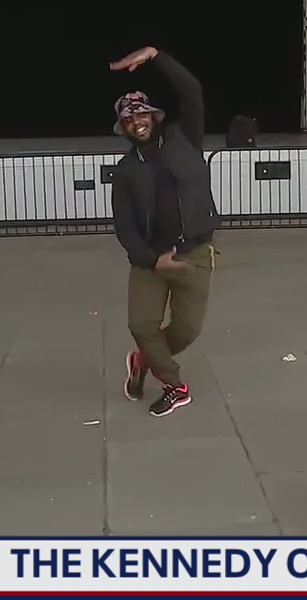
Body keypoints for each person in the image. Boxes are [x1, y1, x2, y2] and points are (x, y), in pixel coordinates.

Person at [108, 46, 219, 418]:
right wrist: (150, 260)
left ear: (153, 116)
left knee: (186, 331)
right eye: (128, 119)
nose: (136, 121)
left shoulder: (184, 138)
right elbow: (123, 224)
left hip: (193, 254)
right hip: (152, 260)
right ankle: (174, 384)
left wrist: (157, 57)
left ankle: (143, 361)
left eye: (140, 114)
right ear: (123, 127)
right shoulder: (125, 171)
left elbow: (192, 91)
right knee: (141, 323)